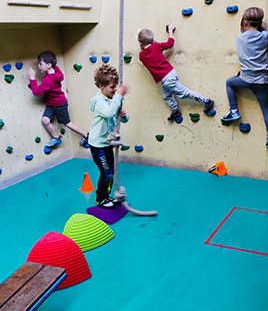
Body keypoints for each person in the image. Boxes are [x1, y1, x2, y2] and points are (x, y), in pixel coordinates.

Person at [221, 7, 268, 154]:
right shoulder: (265, 36)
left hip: (245, 79)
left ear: (245, 22)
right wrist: (263, 30)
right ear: (260, 23)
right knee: (266, 109)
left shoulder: (239, 38)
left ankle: (234, 111)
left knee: (229, 82)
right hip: (263, 81)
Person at [138, 24, 214, 121]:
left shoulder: (142, 56)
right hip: (169, 74)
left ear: (140, 43)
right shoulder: (156, 46)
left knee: (184, 93)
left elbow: (149, 52)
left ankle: (207, 101)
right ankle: (175, 111)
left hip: (167, 79)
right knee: (166, 95)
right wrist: (170, 32)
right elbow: (170, 44)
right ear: (152, 41)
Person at [28, 51, 88, 151]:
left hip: (59, 104)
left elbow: (36, 92)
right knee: (45, 120)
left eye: (40, 64)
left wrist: (32, 77)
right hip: (51, 103)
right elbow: (56, 68)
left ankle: (86, 135)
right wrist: (51, 66)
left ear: (48, 65)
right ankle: (56, 138)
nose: (38, 66)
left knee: (67, 123)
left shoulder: (48, 80)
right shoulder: (56, 71)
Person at [88, 65, 129, 209]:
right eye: (112, 87)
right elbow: (108, 113)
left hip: (106, 144)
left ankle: (106, 195)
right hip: (97, 145)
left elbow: (121, 119)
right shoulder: (99, 101)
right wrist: (118, 95)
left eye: (116, 86)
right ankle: (100, 198)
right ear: (101, 86)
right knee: (106, 172)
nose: (115, 89)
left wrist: (124, 115)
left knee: (111, 171)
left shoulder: (113, 100)